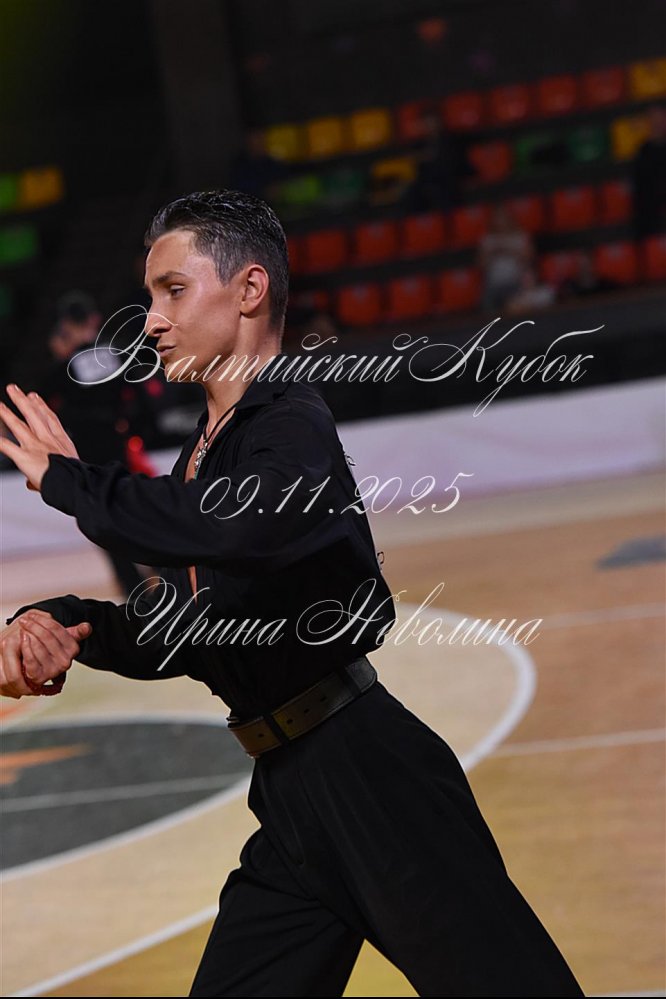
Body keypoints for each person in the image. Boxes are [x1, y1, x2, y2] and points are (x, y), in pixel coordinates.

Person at [0, 190, 585, 998]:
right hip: (291, 798)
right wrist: (63, 624)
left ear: (249, 289)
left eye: (174, 290)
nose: (152, 321)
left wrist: (71, 483)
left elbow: (228, 527)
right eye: (150, 296)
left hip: (373, 778)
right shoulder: (208, 454)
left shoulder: (290, 426)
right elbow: (191, 629)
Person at [40, 290, 154, 598]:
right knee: (135, 511)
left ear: (66, 325)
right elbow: (142, 399)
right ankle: (165, 569)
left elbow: (43, 402)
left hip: (87, 453)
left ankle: (135, 589)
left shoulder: (65, 366)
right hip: (121, 447)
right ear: (94, 319)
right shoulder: (115, 353)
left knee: (102, 521)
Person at [478, 205, 535, 311]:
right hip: (494, 285)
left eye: (503, 217)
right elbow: (481, 265)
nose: (500, 221)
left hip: (516, 282)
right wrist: (492, 253)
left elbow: (529, 259)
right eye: (497, 218)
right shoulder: (487, 240)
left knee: (516, 305)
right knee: (488, 306)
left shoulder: (520, 236)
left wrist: (509, 250)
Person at [632, 102, 666, 240]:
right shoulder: (643, 152)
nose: (658, 123)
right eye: (654, 119)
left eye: (661, 118)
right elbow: (642, 189)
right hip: (652, 215)